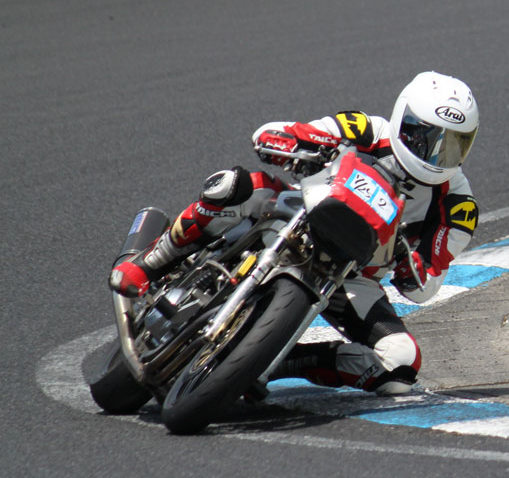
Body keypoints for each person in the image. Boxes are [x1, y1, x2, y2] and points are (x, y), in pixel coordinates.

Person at [109, 72, 480, 396]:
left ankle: (277, 361)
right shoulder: (367, 129)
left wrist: (404, 258)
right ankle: (152, 261)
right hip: (299, 214)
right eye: (425, 137)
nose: (436, 155)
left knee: (401, 364)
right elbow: (277, 133)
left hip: (350, 275)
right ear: (403, 121)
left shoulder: (459, 206)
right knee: (233, 185)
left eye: (452, 145)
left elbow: (425, 286)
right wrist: (296, 144)